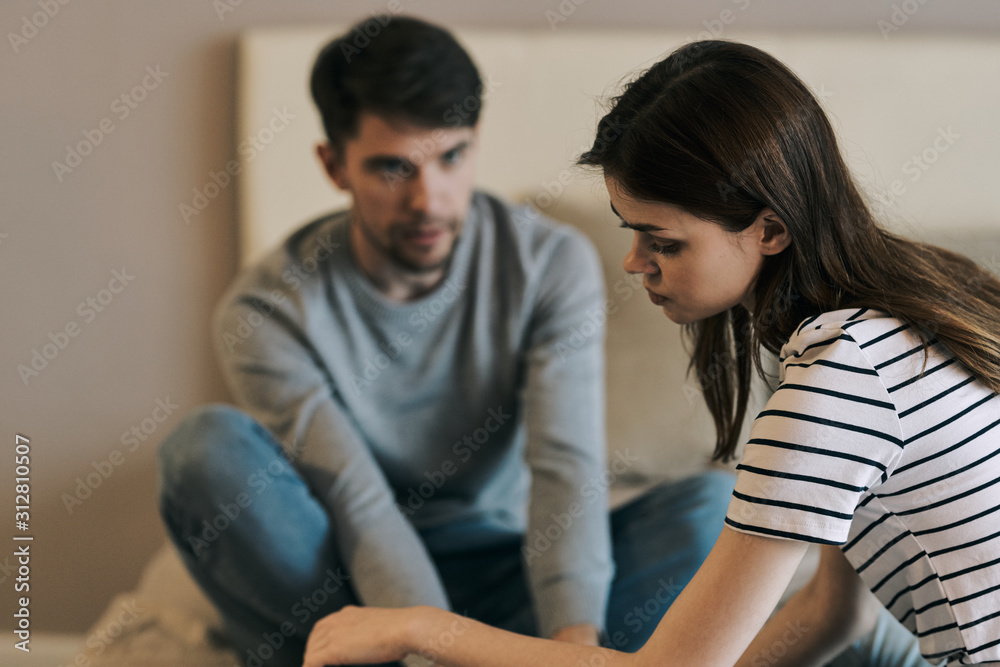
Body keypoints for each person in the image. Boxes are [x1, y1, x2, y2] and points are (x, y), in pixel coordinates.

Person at [298, 39, 1000, 667]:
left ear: (771, 229)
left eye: (664, 241)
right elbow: (832, 613)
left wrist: (421, 627)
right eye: (630, 232)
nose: (635, 263)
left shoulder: (841, 374)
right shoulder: (922, 303)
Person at [157, 17, 740, 667]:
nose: (429, 200)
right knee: (202, 451)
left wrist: (568, 650)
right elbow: (358, 500)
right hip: (346, 580)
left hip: (509, 573)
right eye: (392, 168)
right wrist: (427, 646)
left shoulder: (548, 263)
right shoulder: (267, 308)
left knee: (711, 507)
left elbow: (565, 465)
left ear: (475, 140)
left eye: (451, 157)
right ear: (334, 165)